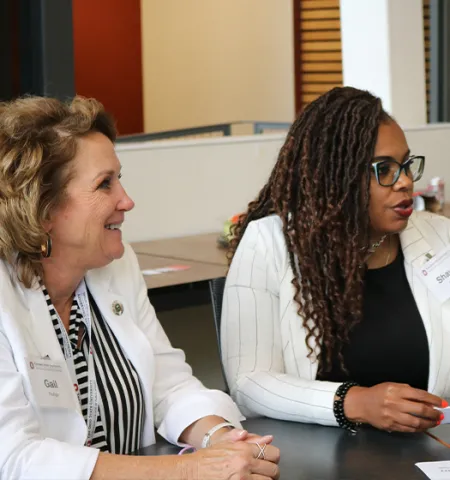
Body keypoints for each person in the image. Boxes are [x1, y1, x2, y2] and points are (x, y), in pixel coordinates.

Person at [0, 96, 280, 480]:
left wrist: (222, 439)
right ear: (42, 209)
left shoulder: (115, 266)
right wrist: (186, 470)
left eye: (120, 179)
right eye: (104, 185)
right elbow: (14, 457)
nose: (126, 200)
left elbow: (168, 386)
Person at [221, 86, 450, 435]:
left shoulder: (438, 236)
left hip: (429, 451)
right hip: (320, 458)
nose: (404, 182)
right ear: (337, 175)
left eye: (405, 165)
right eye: (384, 169)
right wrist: (355, 403)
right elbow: (250, 383)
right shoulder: (269, 244)